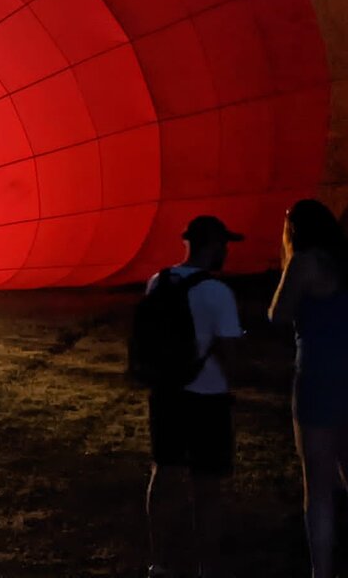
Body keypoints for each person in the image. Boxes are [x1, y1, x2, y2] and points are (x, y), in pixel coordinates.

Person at [268, 199, 348, 578]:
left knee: (319, 486)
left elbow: (278, 312)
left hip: (321, 375)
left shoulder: (306, 262)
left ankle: (320, 572)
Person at [143, 215, 244, 578]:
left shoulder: (159, 281)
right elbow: (231, 352)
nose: (227, 252)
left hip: (167, 393)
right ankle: (207, 567)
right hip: (207, 397)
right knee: (207, 485)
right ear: (212, 246)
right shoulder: (217, 292)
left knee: (164, 473)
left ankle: (160, 562)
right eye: (224, 245)